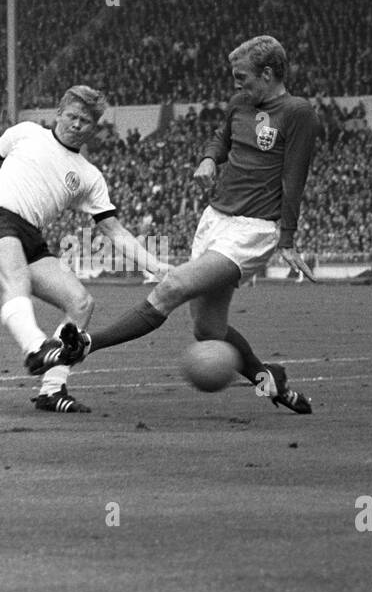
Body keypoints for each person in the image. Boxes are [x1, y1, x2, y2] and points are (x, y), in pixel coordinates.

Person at [60, 36, 321, 413]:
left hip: (254, 229)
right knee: (208, 331)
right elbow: (222, 139)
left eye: (241, 76)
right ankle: (270, 381)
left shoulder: (299, 113)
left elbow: (295, 177)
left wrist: (288, 238)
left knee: (173, 285)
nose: (236, 84)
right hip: (215, 219)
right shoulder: (241, 104)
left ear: (267, 73)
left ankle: (85, 344)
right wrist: (210, 159)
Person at [0, 85, 170, 413]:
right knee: (17, 278)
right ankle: (35, 347)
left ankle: (52, 390)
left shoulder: (90, 177)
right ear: (59, 114)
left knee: (80, 303)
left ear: (95, 127)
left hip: (31, 236)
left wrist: (157, 266)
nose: (77, 125)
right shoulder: (26, 133)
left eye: (86, 121)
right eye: (72, 117)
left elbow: (115, 231)